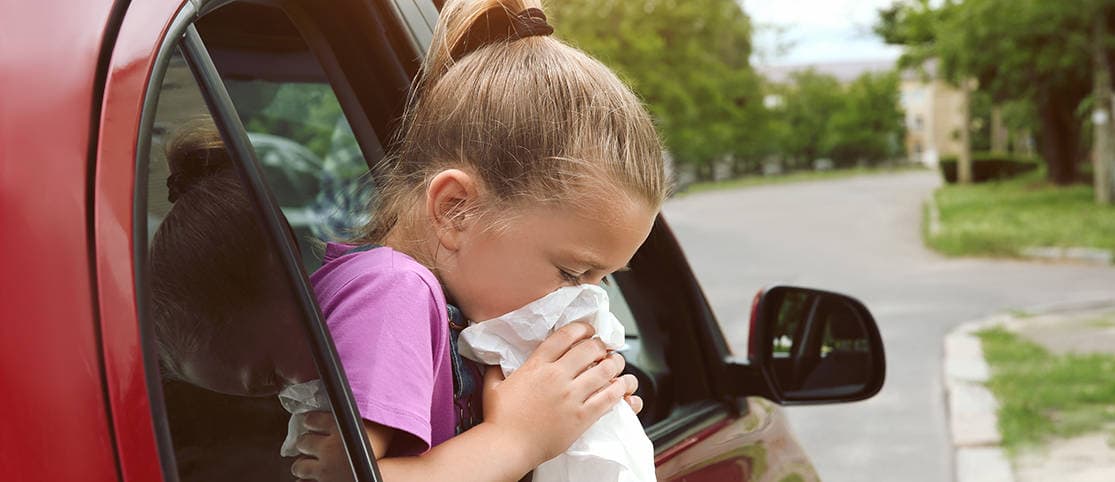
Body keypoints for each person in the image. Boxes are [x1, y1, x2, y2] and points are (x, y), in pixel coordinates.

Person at [290, 0, 668, 480]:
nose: (587, 300)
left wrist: (573, 420)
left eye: (604, 280)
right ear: (456, 210)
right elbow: (342, 475)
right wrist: (519, 437)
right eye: (571, 273)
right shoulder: (394, 292)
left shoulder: (465, 306)